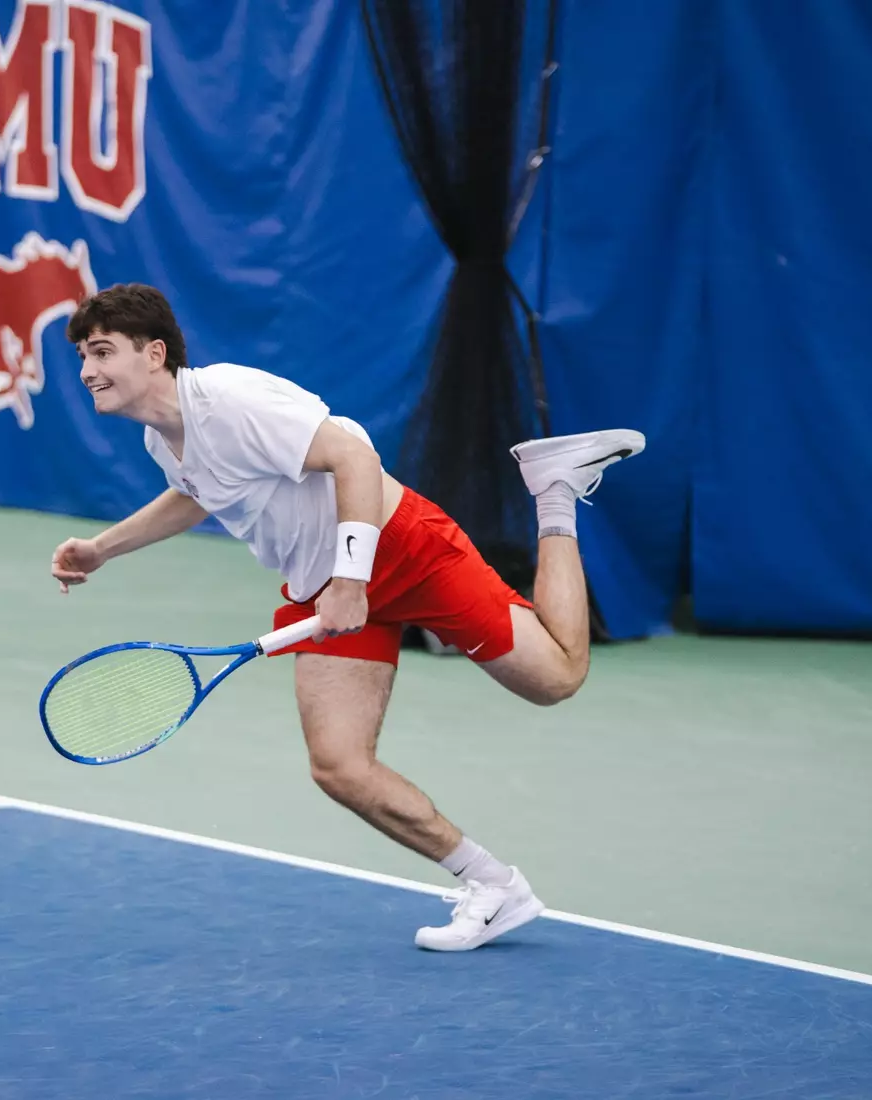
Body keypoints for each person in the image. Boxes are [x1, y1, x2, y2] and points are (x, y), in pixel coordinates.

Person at [49, 284, 644, 951]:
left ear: (154, 353)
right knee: (338, 765)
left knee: (555, 678)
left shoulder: (232, 401)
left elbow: (353, 456)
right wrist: (102, 549)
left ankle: (555, 489)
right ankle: (492, 884)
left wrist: (351, 577)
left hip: (399, 547)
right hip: (322, 584)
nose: (87, 371)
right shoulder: (167, 438)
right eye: (81, 356)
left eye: (101, 351)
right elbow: (194, 497)